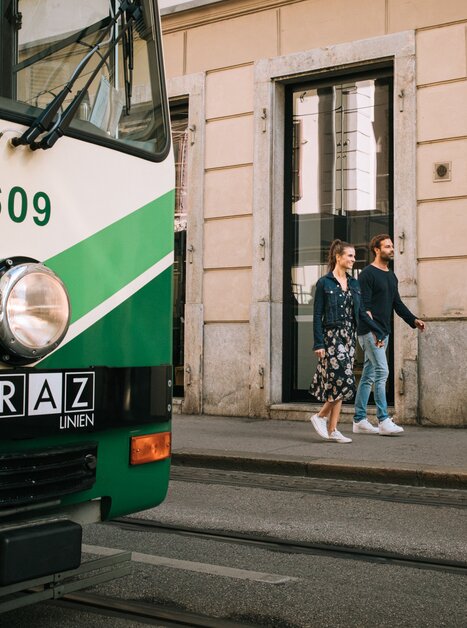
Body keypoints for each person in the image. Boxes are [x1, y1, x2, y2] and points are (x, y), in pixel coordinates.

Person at [309, 240, 386, 444]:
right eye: (350, 256)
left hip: (349, 337)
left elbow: (361, 313)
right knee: (345, 381)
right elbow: (317, 316)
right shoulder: (324, 283)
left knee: (339, 384)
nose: (354, 259)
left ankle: (333, 429)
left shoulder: (354, 283)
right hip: (332, 337)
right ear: (338, 257)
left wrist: (377, 330)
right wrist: (318, 343)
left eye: (354, 256)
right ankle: (320, 416)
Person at [352, 234, 425, 436]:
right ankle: (383, 420)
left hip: (383, 331)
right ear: (376, 249)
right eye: (387, 246)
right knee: (382, 372)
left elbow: (397, 303)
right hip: (370, 332)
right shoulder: (367, 274)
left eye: (392, 246)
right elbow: (363, 307)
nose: (392, 249)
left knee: (368, 376)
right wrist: (375, 331)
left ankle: (359, 420)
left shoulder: (391, 276)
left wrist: (413, 320)